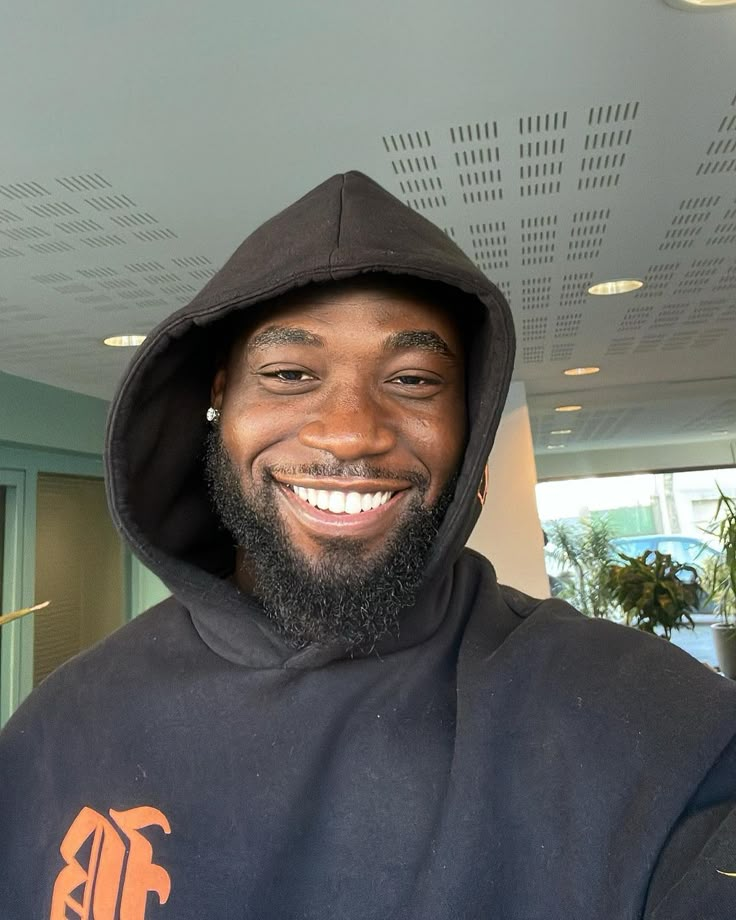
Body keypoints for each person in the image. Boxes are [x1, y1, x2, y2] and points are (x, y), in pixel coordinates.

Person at [1, 171, 735, 920]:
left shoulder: (650, 725)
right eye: (290, 375)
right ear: (219, 399)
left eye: (414, 379)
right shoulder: (56, 731)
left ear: (470, 423)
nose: (351, 431)